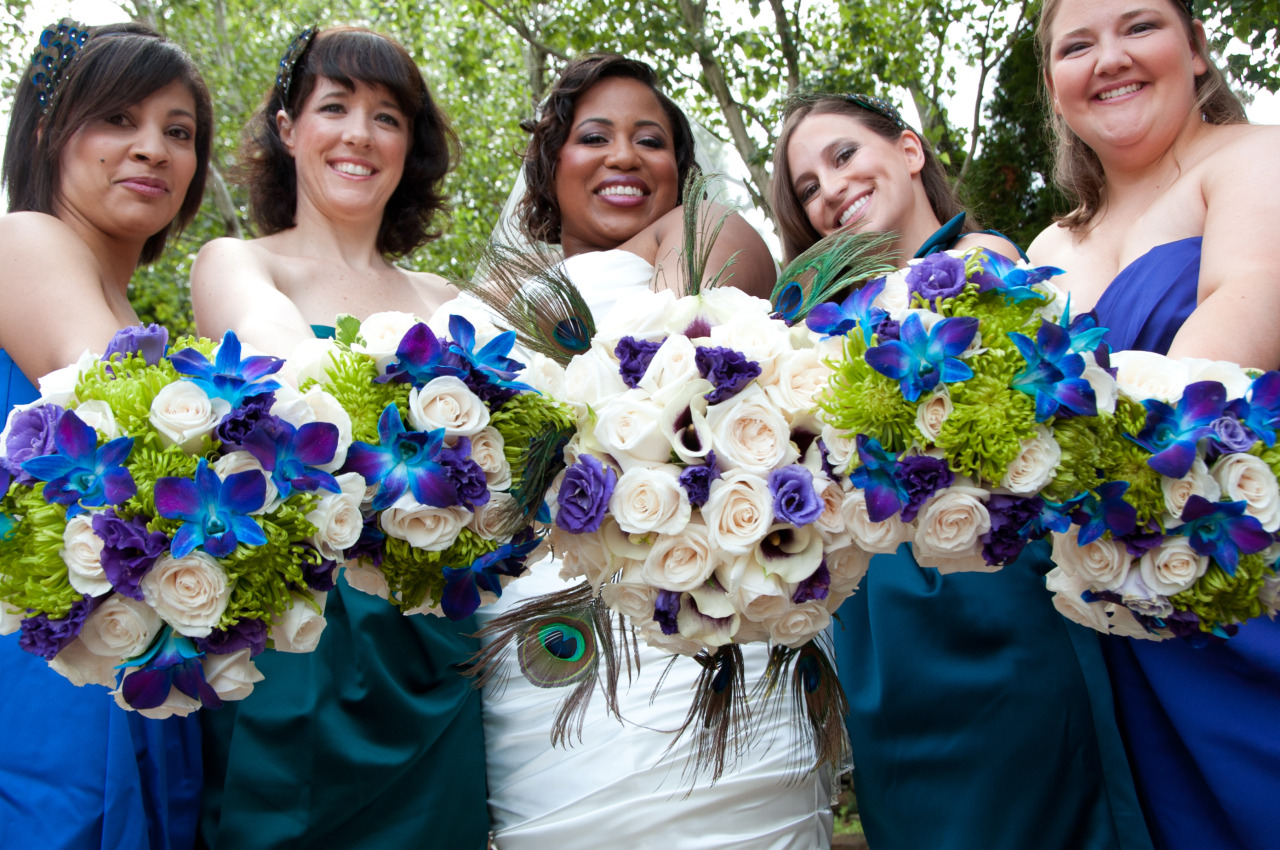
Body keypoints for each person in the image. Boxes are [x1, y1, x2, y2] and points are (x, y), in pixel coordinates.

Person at [770, 92, 1154, 850]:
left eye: (843, 156)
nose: (830, 191)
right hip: (880, 636)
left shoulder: (992, 265)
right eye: (808, 188)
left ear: (910, 151)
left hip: (996, 602)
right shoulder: (813, 326)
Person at [472, 54, 832, 848]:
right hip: (545, 615)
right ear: (550, 161)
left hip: (712, 585)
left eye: (651, 139)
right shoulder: (486, 297)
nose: (625, 156)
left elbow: (677, 359)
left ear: (681, 165)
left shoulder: (704, 228)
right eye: (593, 136)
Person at [188, 27, 488, 849]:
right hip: (299, 650)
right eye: (335, 107)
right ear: (288, 129)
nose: (360, 134)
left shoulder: (450, 296)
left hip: (433, 655)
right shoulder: (238, 262)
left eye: (386, 116)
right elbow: (274, 353)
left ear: (409, 145)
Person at [1029, 2, 1280, 848]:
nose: (1109, 58)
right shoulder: (1044, 253)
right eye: (1077, 46)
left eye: (1139, 27)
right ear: (1057, 92)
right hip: (1114, 620)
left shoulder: (1252, 158)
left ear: (1197, 53)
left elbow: (1232, 328)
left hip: (1244, 565)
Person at [0, 20, 212, 849]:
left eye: (178, 131)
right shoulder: (26, 238)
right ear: (50, 133)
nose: (152, 148)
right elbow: (118, 417)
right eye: (118, 119)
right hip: (42, 690)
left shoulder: (136, 315)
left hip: (128, 668)